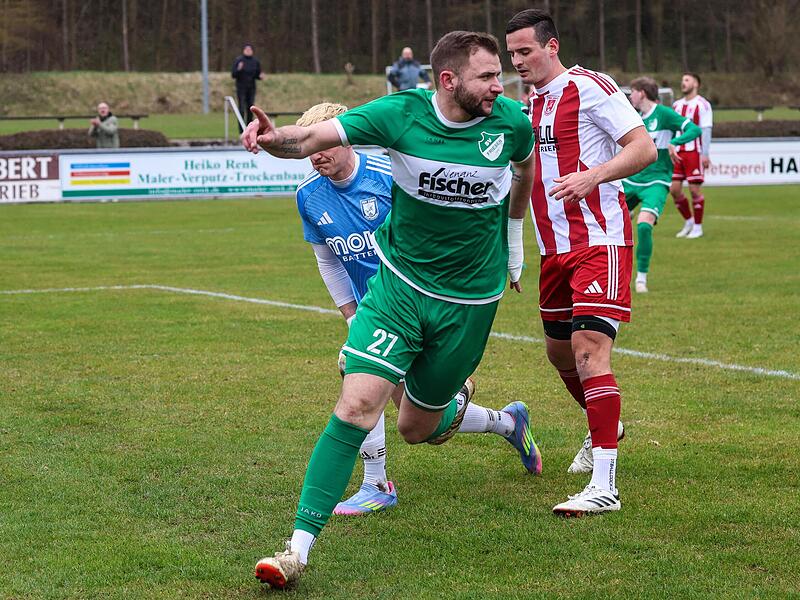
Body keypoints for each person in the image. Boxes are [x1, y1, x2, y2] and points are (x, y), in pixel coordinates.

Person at [243, 30, 537, 588]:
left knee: (416, 428)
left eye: (499, 75)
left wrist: (515, 237)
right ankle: (296, 551)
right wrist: (274, 138)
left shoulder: (511, 123)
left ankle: (506, 420)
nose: (499, 86)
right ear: (448, 80)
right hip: (398, 290)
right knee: (355, 404)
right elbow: (309, 138)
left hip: (469, 303)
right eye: (487, 77)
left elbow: (525, 169)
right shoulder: (401, 114)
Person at [294, 101, 541, 518]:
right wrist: (351, 314)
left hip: (425, 303)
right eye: (311, 150)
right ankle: (502, 425)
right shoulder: (308, 196)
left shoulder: (389, 174)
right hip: (380, 312)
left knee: (422, 422)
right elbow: (328, 261)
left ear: (346, 139)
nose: (317, 157)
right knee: (371, 388)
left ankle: (503, 424)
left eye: (324, 147)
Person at [506, 9, 656, 516]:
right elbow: (524, 179)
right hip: (553, 251)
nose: (517, 61)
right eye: (512, 54)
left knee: (589, 352)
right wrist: (514, 245)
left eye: (525, 51)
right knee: (560, 355)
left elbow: (643, 149)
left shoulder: (589, 86)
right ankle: (607, 426)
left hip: (600, 242)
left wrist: (594, 175)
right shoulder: (528, 107)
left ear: (552, 46)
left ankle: (604, 485)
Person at [623, 77, 701, 293]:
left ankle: (641, 278)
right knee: (604, 221)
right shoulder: (634, 117)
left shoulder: (664, 114)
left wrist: (675, 142)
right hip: (630, 179)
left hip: (656, 181)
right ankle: (614, 272)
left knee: (644, 226)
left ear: (642, 93)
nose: (630, 96)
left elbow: (694, 129)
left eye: (633, 92)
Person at [670, 72, 713, 239]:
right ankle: (689, 221)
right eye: (682, 80)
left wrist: (705, 154)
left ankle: (698, 227)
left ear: (696, 84)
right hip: (677, 152)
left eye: (687, 80)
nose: (683, 83)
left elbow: (706, 130)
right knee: (674, 190)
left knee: (694, 190)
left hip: (694, 152)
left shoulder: (703, 105)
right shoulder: (676, 105)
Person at [231, 43, 264, 131]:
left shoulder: (255, 61)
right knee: (241, 108)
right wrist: (239, 69)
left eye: (250, 50)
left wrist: (260, 76)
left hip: (251, 88)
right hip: (241, 88)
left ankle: (249, 128)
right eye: (247, 50)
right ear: (244, 50)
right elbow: (233, 74)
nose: (248, 51)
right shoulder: (239, 60)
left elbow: (257, 74)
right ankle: (241, 130)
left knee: (250, 108)